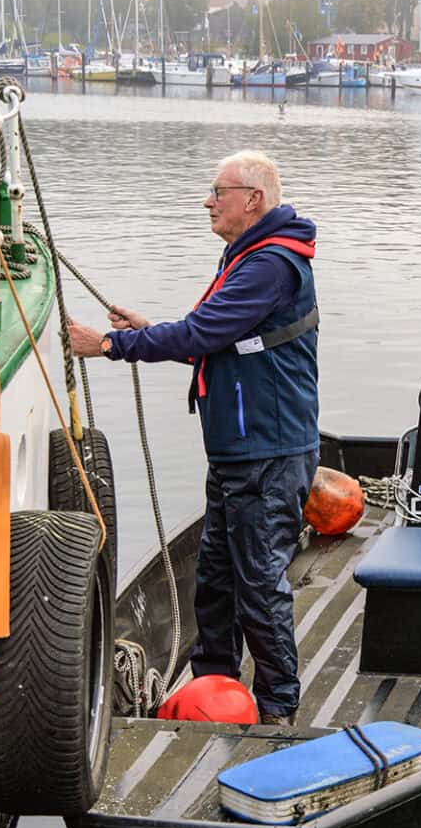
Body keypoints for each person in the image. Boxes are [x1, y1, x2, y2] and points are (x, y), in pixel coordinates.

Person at [69, 150, 319, 726]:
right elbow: (214, 339)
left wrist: (108, 344)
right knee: (214, 577)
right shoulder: (247, 257)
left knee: (258, 584)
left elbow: (204, 330)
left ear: (252, 200)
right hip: (238, 449)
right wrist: (148, 331)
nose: (208, 201)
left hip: (267, 452)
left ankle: (279, 710)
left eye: (218, 191)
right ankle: (213, 684)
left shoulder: (268, 265)